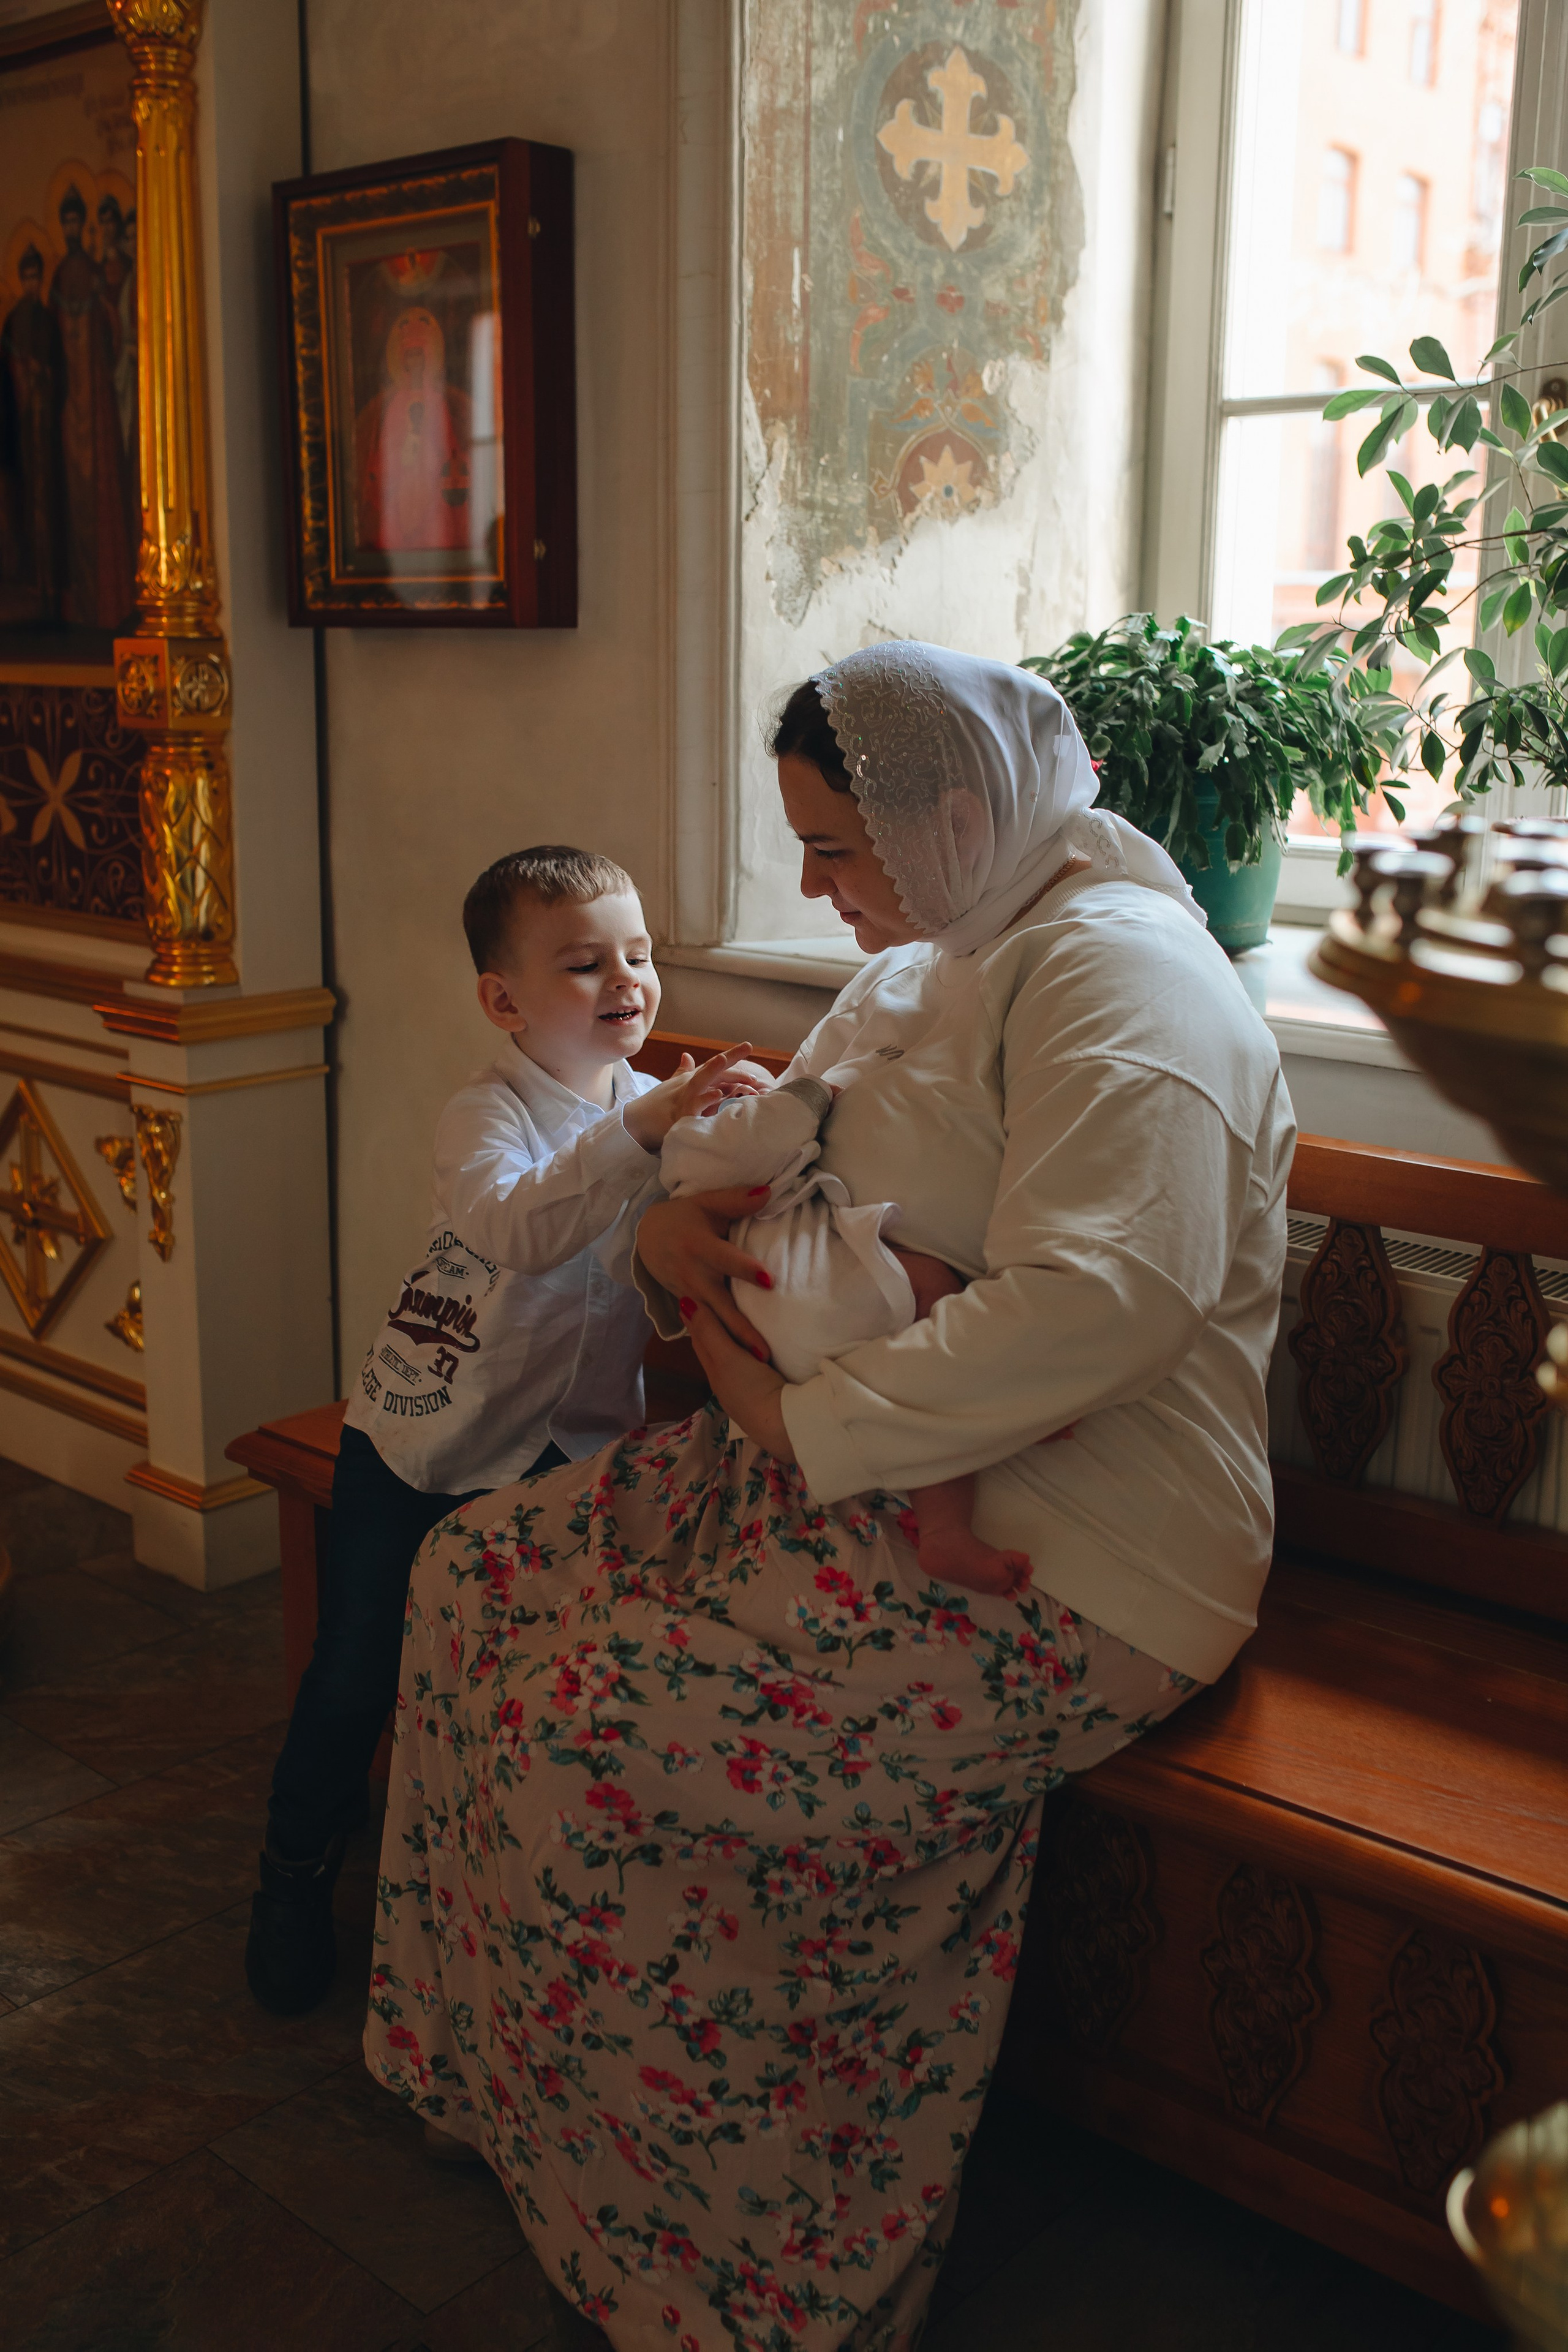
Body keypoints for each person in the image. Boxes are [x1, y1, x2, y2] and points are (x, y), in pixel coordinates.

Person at [364, 645, 1295, 2352]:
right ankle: (495, 2091)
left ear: (955, 815)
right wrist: (660, 1239)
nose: (809, 885)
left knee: (592, 1729)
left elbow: (1112, 1295)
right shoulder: (929, 957)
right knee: (474, 1579)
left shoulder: (1126, 980)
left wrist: (806, 1431)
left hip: (1068, 1548)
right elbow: (771, 1154)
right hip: (828, 1461)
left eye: (834, 849)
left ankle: (733, 2280)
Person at [246, 845, 764, 2018]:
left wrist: (744, 1117)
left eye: (639, 955)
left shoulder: (650, 1108)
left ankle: (475, 1909)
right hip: (421, 1442)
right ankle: (293, 1874)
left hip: (568, 1456)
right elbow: (519, 1230)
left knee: (513, 1687)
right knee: (355, 1671)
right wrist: (650, 1132)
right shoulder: (483, 1113)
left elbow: (710, 1188)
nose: (626, 980)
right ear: (504, 1000)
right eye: (585, 964)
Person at [660, 1076, 1033, 1596]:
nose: (745, 1099)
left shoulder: (703, 1166)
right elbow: (770, 1128)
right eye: (732, 1099)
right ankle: (1006, 1398)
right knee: (936, 1296)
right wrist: (808, 1092)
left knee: (915, 1388)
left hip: (775, 1332)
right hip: (807, 1294)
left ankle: (944, 1532)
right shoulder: (695, 1143)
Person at [48, 185, 134, 630]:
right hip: (71, 406)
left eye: (77, 221)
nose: (72, 228)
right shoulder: (60, 277)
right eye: (66, 222)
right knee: (74, 504)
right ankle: (78, 607)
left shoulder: (96, 274)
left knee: (102, 496)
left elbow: (112, 328)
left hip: (96, 402)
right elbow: (54, 341)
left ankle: (110, 604)